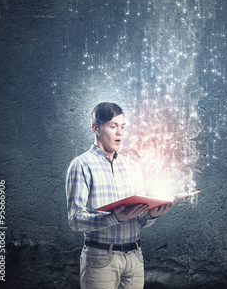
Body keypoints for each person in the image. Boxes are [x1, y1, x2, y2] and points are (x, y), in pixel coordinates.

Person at [65, 102, 172, 289]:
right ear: (95, 128)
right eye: (113, 126)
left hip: (135, 258)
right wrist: (113, 218)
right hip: (100, 258)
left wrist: (153, 214)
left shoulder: (133, 167)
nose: (119, 132)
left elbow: (140, 219)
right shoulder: (81, 165)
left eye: (122, 126)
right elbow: (75, 220)